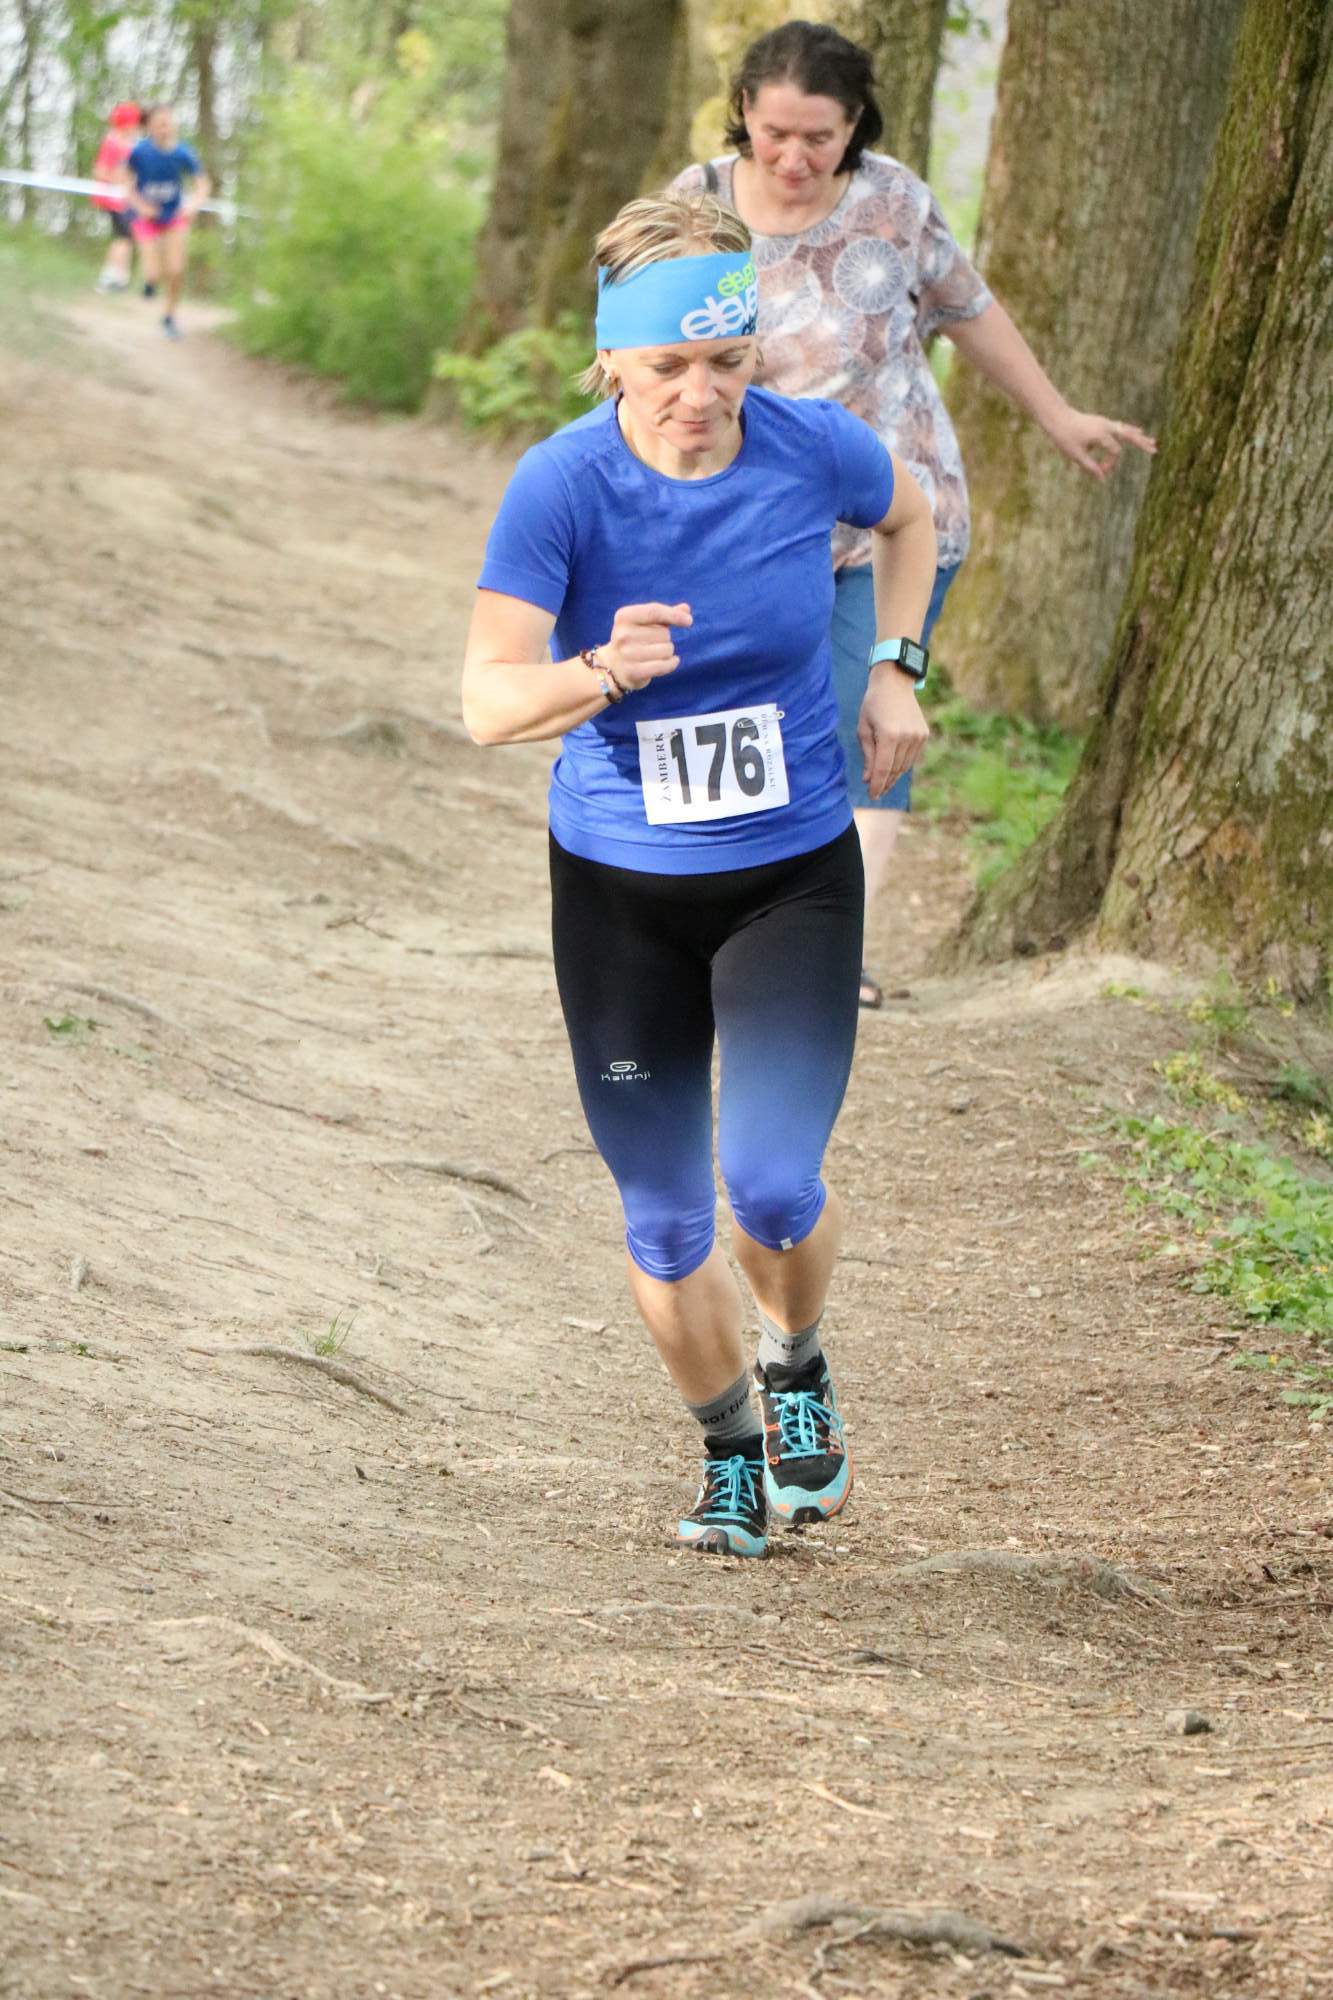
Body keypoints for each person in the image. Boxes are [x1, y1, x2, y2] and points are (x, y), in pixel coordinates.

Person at [462, 191, 937, 1558]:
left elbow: (911, 519)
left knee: (773, 1186)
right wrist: (597, 671)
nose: (700, 395)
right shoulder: (561, 485)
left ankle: (799, 1364)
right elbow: (488, 701)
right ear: (611, 357)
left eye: (726, 361)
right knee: (668, 1223)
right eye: (668, 366)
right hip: (620, 894)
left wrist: (897, 666)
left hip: (790, 876)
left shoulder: (807, 448)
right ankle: (731, 1453)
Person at [672, 21, 1155, 1008]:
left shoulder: (894, 201)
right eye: (775, 133)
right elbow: (644, 354)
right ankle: (711, 924)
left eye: (819, 137)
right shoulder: (696, 206)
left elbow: (969, 309)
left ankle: (823, 953)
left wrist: (1056, 414)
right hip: (745, 519)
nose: (794, 157)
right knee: (738, 714)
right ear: (743, 115)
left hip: (896, 515)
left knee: (873, 720)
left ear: (855, 124)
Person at [120, 103, 211, 340]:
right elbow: (125, 182)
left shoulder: (183, 153)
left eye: (168, 124)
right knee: (153, 273)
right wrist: (141, 206)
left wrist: (192, 205)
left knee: (176, 269)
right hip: (145, 217)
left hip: (173, 217)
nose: (164, 128)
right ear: (150, 127)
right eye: (159, 124)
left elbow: (202, 184)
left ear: (174, 125)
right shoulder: (139, 152)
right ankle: (149, 282)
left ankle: (169, 317)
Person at [91, 102, 141, 294]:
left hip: (126, 201)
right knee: (124, 237)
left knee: (128, 237)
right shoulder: (111, 143)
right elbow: (100, 171)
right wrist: (119, 182)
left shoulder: (129, 144)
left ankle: (121, 279)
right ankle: (108, 277)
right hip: (113, 200)